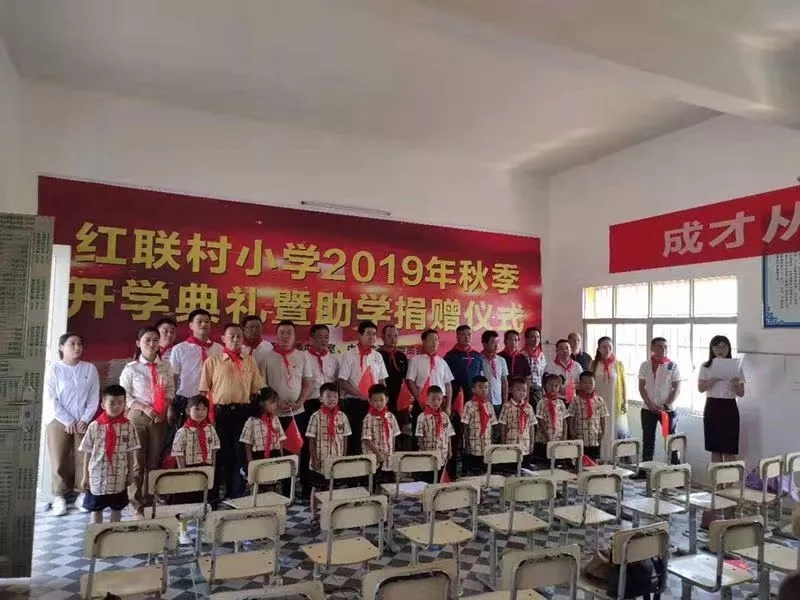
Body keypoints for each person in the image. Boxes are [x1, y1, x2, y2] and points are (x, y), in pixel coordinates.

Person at [200, 322, 263, 499]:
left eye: (239, 336)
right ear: (223, 339)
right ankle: (216, 494)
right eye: (231, 336)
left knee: (240, 453)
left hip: (242, 413)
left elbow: (256, 389)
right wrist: (208, 417)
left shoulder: (249, 361)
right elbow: (204, 391)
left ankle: (237, 492)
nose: (235, 339)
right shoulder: (212, 361)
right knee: (219, 453)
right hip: (220, 413)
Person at [119, 326, 175, 517]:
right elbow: (125, 395)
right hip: (138, 418)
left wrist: (164, 408)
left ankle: (149, 500)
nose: (151, 344)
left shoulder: (166, 366)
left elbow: (170, 390)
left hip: (159, 418)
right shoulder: (131, 368)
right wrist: (143, 407)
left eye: (155, 340)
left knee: (154, 462)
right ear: (139, 343)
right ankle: (136, 505)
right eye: (147, 340)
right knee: (137, 463)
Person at [45, 332, 100, 516]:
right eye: (72, 344)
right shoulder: (54, 369)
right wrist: (67, 420)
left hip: (83, 420)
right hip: (59, 420)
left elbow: (93, 397)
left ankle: (82, 493)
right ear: (61, 347)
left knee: (83, 458)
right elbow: (51, 398)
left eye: (79, 344)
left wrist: (85, 419)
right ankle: (59, 496)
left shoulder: (89, 369)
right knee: (59, 458)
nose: (77, 347)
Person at [79, 385, 139, 524]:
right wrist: (85, 477)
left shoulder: (128, 426)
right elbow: (87, 453)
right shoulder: (94, 426)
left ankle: (113, 532)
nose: (116, 406)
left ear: (125, 404)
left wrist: (131, 473)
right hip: (97, 477)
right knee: (96, 509)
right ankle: (97, 534)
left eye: (120, 403)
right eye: (112, 403)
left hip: (119, 477)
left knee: (116, 509)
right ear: (103, 405)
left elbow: (131, 452)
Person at [263, 320, 308, 496]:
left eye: (289, 332)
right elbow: (263, 387)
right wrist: (277, 402)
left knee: (297, 449)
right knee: (278, 451)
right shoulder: (267, 358)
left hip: (297, 412)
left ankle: (295, 488)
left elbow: (307, 382)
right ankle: (278, 489)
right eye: (281, 332)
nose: (285, 336)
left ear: (295, 336)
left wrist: (300, 402)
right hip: (275, 414)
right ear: (276, 335)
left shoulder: (302, 356)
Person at [170, 395, 220, 543]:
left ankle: (203, 529)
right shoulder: (183, 431)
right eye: (196, 409)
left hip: (206, 469)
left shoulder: (210, 429)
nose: (200, 412)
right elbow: (178, 454)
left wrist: (212, 468)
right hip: (188, 469)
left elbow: (214, 450)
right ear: (187, 410)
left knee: (204, 501)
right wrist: (182, 472)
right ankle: (183, 531)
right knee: (185, 502)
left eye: (204, 409)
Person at [338, 321, 388, 455]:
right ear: (360, 335)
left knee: (375, 436)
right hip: (355, 403)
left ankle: (375, 465)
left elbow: (382, 380)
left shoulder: (377, 356)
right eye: (368, 333)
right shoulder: (349, 355)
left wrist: (383, 400)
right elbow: (342, 381)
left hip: (375, 405)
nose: (372, 337)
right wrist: (360, 395)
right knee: (357, 437)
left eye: (374, 334)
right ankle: (357, 466)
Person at [443, 324, 483, 478]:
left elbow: (480, 379)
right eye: (463, 334)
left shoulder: (477, 356)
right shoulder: (450, 356)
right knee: (456, 436)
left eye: (469, 334)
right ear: (457, 336)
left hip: (474, 403)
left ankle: (470, 468)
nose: (466, 337)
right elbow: (447, 382)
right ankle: (453, 471)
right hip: (456, 403)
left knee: (472, 435)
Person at [169, 309, 223, 421]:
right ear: (191, 325)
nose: (204, 324)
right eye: (199, 321)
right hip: (186, 400)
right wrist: (170, 404)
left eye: (207, 322)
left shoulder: (219, 349)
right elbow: (173, 377)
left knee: (209, 432)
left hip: (212, 402)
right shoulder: (180, 349)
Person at [637, 337, 683, 471]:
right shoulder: (645, 365)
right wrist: (649, 404)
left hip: (667, 411)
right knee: (648, 440)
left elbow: (677, 388)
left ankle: (675, 470)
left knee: (670, 440)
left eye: (665, 346)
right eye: (659, 346)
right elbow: (641, 387)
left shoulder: (672, 366)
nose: (663, 349)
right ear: (652, 348)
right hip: (648, 410)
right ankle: (645, 470)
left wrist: (666, 405)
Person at [698, 335, 745, 463]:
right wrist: (713, 380)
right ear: (711, 349)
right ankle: (717, 477)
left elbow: (741, 393)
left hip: (729, 407)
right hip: (712, 406)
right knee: (715, 449)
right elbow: (700, 388)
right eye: (717, 347)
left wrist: (736, 384)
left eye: (724, 346)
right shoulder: (705, 366)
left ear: (729, 348)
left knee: (729, 449)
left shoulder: (736, 367)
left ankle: (730, 477)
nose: (720, 350)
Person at [406, 329, 454, 446]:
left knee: (440, 433)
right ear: (423, 341)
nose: (435, 342)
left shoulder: (442, 362)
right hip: (422, 402)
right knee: (420, 434)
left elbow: (448, 385)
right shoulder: (416, 360)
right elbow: (410, 381)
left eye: (437, 340)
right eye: (431, 339)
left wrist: (448, 406)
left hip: (439, 404)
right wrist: (419, 399)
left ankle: (441, 455)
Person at [240, 387, 288, 497]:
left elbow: (280, 440)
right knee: (258, 484)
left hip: (273, 455)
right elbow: (247, 444)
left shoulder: (275, 419)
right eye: (272, 403)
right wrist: (250, 463)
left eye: (275, 403)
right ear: (261, 403)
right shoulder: (252, 421)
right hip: (258, 456)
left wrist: (281, 458)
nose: (275, 405)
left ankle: (272, 503)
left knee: (272, 484)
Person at [306, 382, 352, 492]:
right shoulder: (315, 417)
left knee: (336, 487)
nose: (332, 399)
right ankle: (314, 504)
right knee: (318, 487)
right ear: (320, 399)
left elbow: (345, 437)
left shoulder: (342, 416)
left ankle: (332, 503)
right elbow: (311, 439)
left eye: (335, 396)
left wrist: (343, 457)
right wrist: (314, 458)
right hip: (320, 459)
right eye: (328, 396)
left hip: (337, 459)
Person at [590, 336, 629, 460]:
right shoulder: (594, 364)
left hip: (614, 402)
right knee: (599, 429)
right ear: (599, 349)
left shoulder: (618, 364)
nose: (607, 349)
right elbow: (588, 383)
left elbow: (623, 384)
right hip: (597, 402)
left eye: (610, 347)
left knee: (613, 430)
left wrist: (625, 401)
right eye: (604, 347)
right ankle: (599, 457)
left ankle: (613, 459)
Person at [362, 383, 401, 482]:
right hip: (375, 456)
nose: (379, 403)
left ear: (387, 399)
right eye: (375, 400)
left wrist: (392, 452)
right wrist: (378, 454)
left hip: (388, 456)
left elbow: (394, 435)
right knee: (374, 481)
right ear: (370, 401)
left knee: (389, 482)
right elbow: (367, 439)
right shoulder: (368, 418)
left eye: (381, 400)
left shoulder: (391, 416)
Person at [415, 385, 455, 483]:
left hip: (442, 453)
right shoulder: (422, 417)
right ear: (427, 400)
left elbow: (449, 433)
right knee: (428, 478)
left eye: (439, 399)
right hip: (428, 453)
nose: (436, 402)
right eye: (433, 399)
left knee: (439, 477)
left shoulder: (444, 416)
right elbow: (420, 436)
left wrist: (450, 450)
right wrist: (423, 451)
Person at [300, 324, 339, 419]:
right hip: (309, 402)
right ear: (311, 339)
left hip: (330, 403)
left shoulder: (333, 359)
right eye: (320, 337)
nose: (324, 340)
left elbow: (337, 382)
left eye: (326, 337)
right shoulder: (302, 357)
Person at [461, 376, 498, 475]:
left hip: (486, 444)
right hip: (474, 444)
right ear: (473, 389)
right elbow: (465, 426)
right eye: (480, 387)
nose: (484, 390)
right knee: (474, 469)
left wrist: (492, 442)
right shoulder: (469, 405)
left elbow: (493, 424)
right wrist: (466, 444)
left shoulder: (489, 405)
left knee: (486, 469)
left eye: (486, 387)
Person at [569, 372, 610, 461]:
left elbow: (603, 417)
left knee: (594, 460)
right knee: (580, 460)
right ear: (580, 384)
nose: (588, 385)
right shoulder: (575, 400)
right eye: (585, 382)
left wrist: (603, 431)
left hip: (595, 437)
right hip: (580, 436)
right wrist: (571, 430)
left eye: (591, 382)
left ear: (595, 383)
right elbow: (571, 416)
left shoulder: (599, 400)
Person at [378, 324, 410, 439]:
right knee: (383, 433)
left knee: (401, 434)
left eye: (396, 336)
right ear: (382, 337)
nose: (393, 339)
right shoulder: (377, 355)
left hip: (400, 402)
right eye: (389, 336)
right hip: (382, 401)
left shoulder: (402, 356)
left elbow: (407, 379)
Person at [499, 376, 536, 468]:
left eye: (524, 390)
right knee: (512, 467)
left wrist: (532, 443)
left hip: (525, 443)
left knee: (525, 467)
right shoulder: (506, 407)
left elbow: (531, 426)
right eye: (518, 390)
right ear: (511, 390)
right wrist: (503, 443)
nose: (522, 393)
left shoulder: (528, 407)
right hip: (511, 442)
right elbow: (503, 426)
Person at [533, 374, 570, 462]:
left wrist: (564, 435)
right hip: (544, 438)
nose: (553, 388)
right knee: (545, 460)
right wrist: (547, 435)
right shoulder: (542, 402)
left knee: (557, 460)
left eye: (556, 386)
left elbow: (564, 419)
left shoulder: (561, 402)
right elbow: (540, 420)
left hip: (558, 437)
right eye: (550, 385)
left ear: (559, 387)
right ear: (545, 386)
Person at [479, 330, 509, 419]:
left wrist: (505, 400)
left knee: (497, 426)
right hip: (483, 401)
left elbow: (504, 382)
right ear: (484, 344)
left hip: (498, 401)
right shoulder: (478, 359)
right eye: (493, 342)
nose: (496, 345)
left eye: (498, 342)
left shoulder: (501, 360)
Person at [545, 339, 581, 406]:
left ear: (571, 350)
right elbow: (545, 383)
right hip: (555, 399)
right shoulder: (550, 366)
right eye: (561, 348)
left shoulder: (577, 366)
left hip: (572, 400)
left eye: (567, 348)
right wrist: (558, 388)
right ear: (557, 351)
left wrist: (570, 388)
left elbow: (581, 383)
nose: (565, 351)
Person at [241, 315, 273, 379]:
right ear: (244, 328)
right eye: (251, 327)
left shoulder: (269, 347)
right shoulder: (237, 346)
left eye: (258, 327)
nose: (255, 330)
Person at [522, 327, 547, 409]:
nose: (536, 339)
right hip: (525, 389)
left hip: (538, 389)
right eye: (532, 337)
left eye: (538, 337)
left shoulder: (541, 355)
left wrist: (543, 389)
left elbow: (543, 373)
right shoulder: (522, 354)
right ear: (527, 339)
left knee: (538, 411)